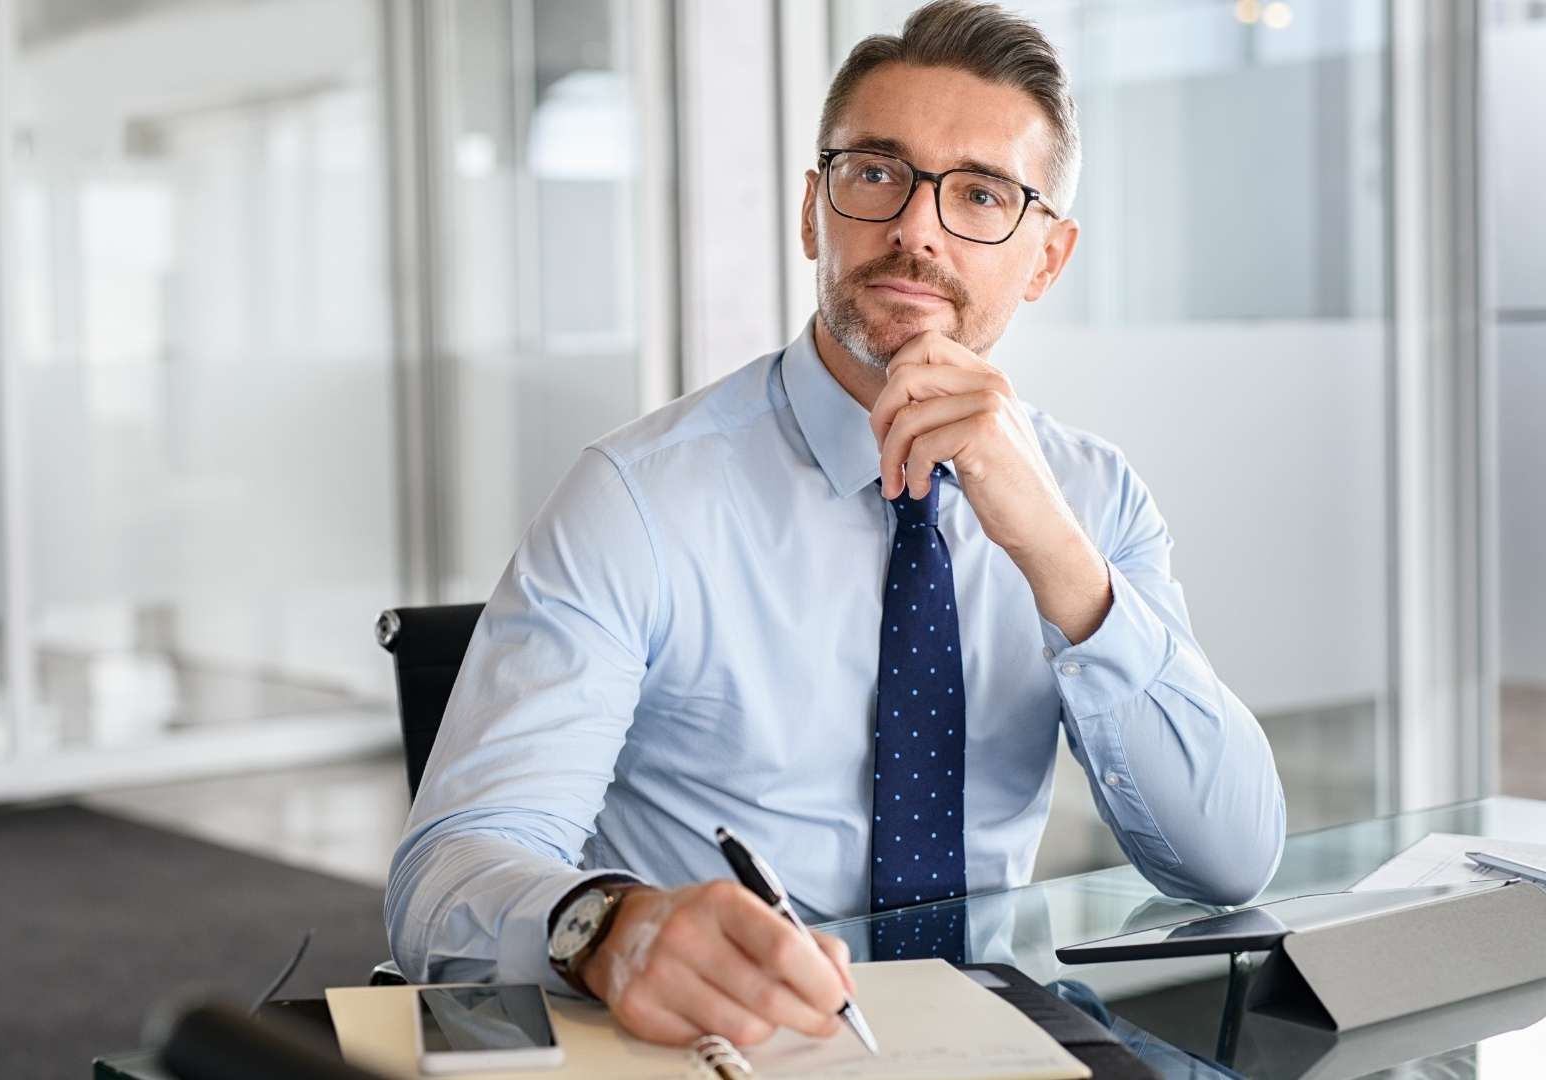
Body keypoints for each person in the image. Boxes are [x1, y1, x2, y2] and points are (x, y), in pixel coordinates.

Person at [386, 0, 1285, 1050]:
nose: (916, 228)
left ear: (1047, 258)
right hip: (732, 1050)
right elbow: (448, 871)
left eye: (983, 194)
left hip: (1000, 1033)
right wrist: (611, 928)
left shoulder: (1091, 496)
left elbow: (1228, 860)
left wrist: (1053, 551)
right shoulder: (637, 498)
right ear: (815, 211)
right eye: (876, 173)